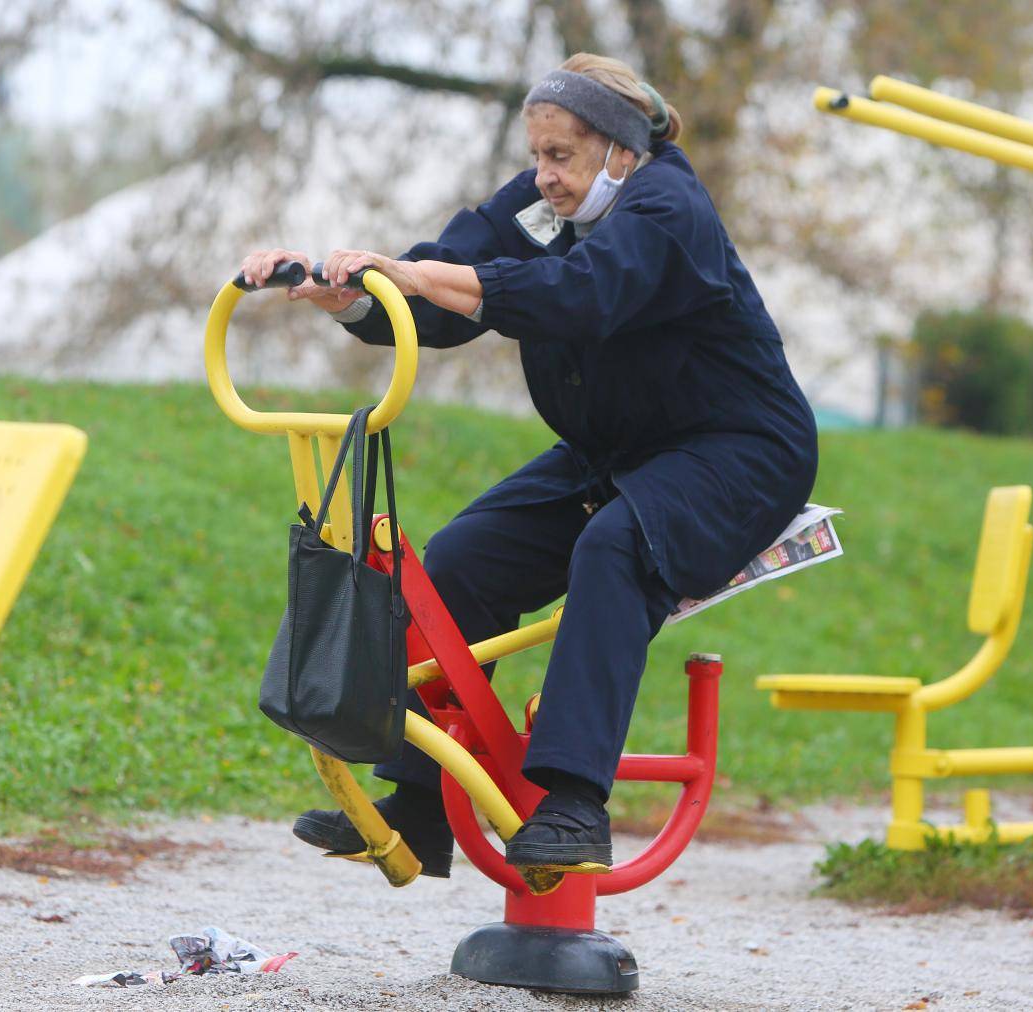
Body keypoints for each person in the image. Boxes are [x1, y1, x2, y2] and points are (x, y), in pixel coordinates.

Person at [240, 52, 818, 877]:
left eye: (562, 156)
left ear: (620, 151)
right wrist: (352, 292)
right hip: (620, 450)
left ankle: (575, 804)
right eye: (538, 155)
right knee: (463, 561)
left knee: (614, 549)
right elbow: (440, 289)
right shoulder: (542, 205)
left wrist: (430, 275)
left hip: (738, 449)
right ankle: (421, 801)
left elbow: (580, 297)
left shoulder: (666, 207)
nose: (543, 177)